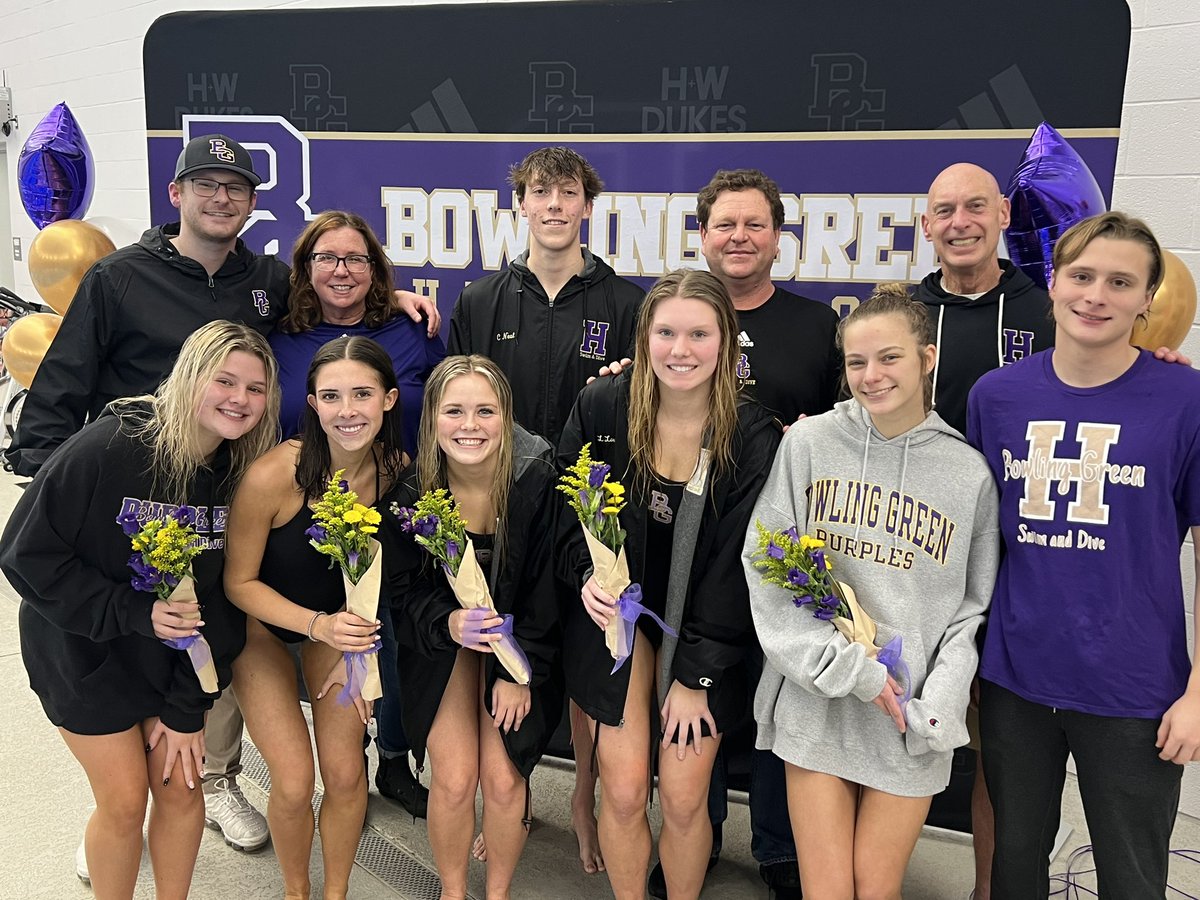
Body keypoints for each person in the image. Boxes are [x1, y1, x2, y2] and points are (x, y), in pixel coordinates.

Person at [0, 320, 280, 900]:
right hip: (83, 651)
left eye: (256, 389)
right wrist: (132, 612)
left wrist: (188, 706)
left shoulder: (238, 477)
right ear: (187, 377)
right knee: (126, 800)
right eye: (224, 380)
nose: (240, 399)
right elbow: (24, 554)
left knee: (181, 787)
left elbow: (223, 605)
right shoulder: (110, 447)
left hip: (173, 660)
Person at [967, 212, 1200, 899]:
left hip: (1133, 689)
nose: (1096, 295)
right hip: (1015, 678)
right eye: (1082, 275)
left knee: (1131, 875)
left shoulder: (1186, 400)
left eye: (1121, 281)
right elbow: (980, 544)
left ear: (1147, 298)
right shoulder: (997, 397)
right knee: (1014, 865)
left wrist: (1198, 692)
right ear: (1054, 283)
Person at [744, 283, 999, 898]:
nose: (871, 375)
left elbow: (972, 611)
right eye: (856, 362)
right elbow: (767, 564)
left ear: (926, 359)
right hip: (820, 697)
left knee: (875, 888)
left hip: (906, 716)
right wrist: (843, 667)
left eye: (889, 358)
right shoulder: (809, 445)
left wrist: (938, 700)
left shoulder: (967, 473)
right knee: (828, 889)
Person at [447, 145, 643, 874]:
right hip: (503, 520)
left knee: (589, 673)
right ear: (521, 205)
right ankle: (513, 796)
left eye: (568, 192)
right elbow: (453, 404)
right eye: (540, 192)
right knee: (506, 660)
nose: (554, 204)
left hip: (594, 525)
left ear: (588, 206)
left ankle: (585, 804)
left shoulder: (628, 305)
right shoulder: (480, 301)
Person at [557, 268, 781, 900]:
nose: (680, 351)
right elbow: (568, 512)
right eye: (666, 333)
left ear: (727, 339)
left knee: (684, 801)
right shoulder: (602, 404)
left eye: (699, 334)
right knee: (625, 791)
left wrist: (695, 678)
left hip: (704, 631)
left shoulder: (752, 436)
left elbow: (738, 566)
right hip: (618, 624)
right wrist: (584, 577)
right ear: (643, 336)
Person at [270, 210, 445, 816]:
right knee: (339, 635)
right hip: (308, 513)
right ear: (305, 268)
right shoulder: (278, 336)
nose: (341, 270)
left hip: (396, 502)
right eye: (327, 258)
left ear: (376, 270)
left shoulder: (411, 329)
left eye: (356, 259)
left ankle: (394, 760)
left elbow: (448, 399)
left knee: (394, 637)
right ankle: (336, 764)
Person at [223, 336, 406, 900]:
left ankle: (336, 892)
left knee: (347, 774)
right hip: (268, 632)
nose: (347, 411)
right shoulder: (274, 475)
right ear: (312, 404)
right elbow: (237, 584)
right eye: (331, 396)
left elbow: (381, 584)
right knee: (297, 780)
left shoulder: (397, 471)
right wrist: (316, 626)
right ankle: (297, 890)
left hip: (339, 631)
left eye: (361, 395)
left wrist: (360, 655)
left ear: (389, 400)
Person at [387, 354, 563, 900]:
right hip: (446, 645)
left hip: (522, 647)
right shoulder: (411, 496)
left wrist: (520, 672)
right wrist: (448, 620)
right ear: (432, 419)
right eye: (454, 411)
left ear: (506, 418)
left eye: (485, 411)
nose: (469, 426)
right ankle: (454, 891)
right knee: (457, 778)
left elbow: (545, 591)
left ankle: (498, 893)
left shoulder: (536, 482)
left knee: (505, 778)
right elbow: (402, 595)